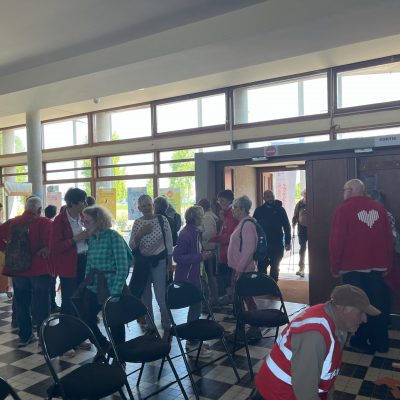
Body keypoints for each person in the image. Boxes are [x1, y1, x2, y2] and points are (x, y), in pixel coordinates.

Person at [254, 284, 380, 400]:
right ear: (343, 308)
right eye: (361, 312)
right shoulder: (315, 335)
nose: (364, 319)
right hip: (278, 395)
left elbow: (325, 370)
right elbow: (305, 392)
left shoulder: (335, 322)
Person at [329, 179, 393, 353]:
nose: (343, 193)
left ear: (350, 191)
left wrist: (335, 266)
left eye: (344, 190)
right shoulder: (379, 208)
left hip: (352, 267)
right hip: (377, 267)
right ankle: (381, 342)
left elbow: (337, 241)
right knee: (377, 304)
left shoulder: (343, 209)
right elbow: (388, 239)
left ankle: (359, 340)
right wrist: (387, 264)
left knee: (356, 305)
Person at [0, 196, 52, 347]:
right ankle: (44, 337)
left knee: (22, 303)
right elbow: (52, 243)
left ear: (25, 207)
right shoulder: (45, 222)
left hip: (18, 270)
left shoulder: (11, 222)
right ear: (40, 209)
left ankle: (25, 336)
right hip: (39, 269)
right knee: (42, 303)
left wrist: (8, 251)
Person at [80, 205, 132, 350]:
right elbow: (89, 264)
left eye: (87, 221)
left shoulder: (113, 236)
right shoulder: (92, 238)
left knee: (115, 323)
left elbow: (122, 267)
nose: (84, 223)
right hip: (94, 286)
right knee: (86, 319)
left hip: (112, 285)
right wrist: (86, 284)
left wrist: (115, 293)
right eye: (83, 221)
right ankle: (104, 347)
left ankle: (119, 355)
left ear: (99, 221)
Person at [129, 195, 173, 335]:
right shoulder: (137, 223)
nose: (147, 208)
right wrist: (141, 233)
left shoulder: (162, 219)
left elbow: (169, 241)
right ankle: (151, 326)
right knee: (145, 297)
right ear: (139, 208)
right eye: (143, 206)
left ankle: (167, 323)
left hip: (159, 261)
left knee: (161, 296)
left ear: (153, 205)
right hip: (143, 264)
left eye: (149, 204)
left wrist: (170, 262)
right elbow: (132, 245)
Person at [173, 205, 214, 357]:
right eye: (201, 215)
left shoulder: (195, 232)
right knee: (195, 307)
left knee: (197, 307)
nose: (203, 218)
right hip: (189, 277)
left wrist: (202, 255)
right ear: (196, 218)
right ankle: (192, 341)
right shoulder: (186, 234)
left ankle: (194, 338)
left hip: (197, 274)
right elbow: (177, 257)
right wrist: (200, 256)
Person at [50, 188, 90, 317]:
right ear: (72, 203)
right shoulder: (59, 220)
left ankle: (82, 323)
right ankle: (68, 324)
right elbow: (55, 247)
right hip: (68, 263)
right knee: (70, 296)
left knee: (83, 294)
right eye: (83, 202)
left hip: (85, 260)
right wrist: (75, 239)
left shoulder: (84, 217)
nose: (86, 204)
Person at [227, 195, 260, 339]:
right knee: (240, 299)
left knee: (245, 299)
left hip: (243, 269)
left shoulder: (247, 224)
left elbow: (248, 250)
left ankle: (253, 328)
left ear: (242, 209)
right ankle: (243, 328)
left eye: (235, 207)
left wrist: (239, 270)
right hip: (240, 268)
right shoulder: (243, 223)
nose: (232, 210)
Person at [253, 190, 291, 282]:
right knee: (261, 267)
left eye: (272, 196)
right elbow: (254, 227)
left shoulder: (280, 210)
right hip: (263, 244)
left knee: (275, 266)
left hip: (277, 244)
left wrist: (287, 242)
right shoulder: (259, 210)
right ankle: (263, 286)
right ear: (264, 198)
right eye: (268, 196)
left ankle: (273, 286)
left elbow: (286, 226)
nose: (270, 198)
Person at [209, 189, 238, 304]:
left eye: (222, 201)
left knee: (228, 276)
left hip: (228, 252)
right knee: (226, 276)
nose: (220, 203)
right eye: (219, 201)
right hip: (226, 251)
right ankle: (230, 298)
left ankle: (231, 299)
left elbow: (229, 236)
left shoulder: (231, 214)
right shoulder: (227, 213)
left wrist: (213, 239)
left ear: (229, 201)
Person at [197, 198, 219, 306]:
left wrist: (199, 235)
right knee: (209, 274)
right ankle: (212, 296)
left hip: (208, 249)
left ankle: (214, 297)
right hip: (208, 248)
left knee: (210, 275)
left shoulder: (207, 217)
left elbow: (210, 233)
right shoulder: (209, 216)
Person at [292, 190, 307, 278]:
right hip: (301, 228)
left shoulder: (313, 202)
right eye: (305, 194)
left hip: (312, 229)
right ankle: (301, 269)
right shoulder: (300, 204)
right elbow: (295, 215)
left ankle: (314, 268)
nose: (306, 195)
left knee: (313, 249)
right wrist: (293, 224)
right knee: (302, 248)